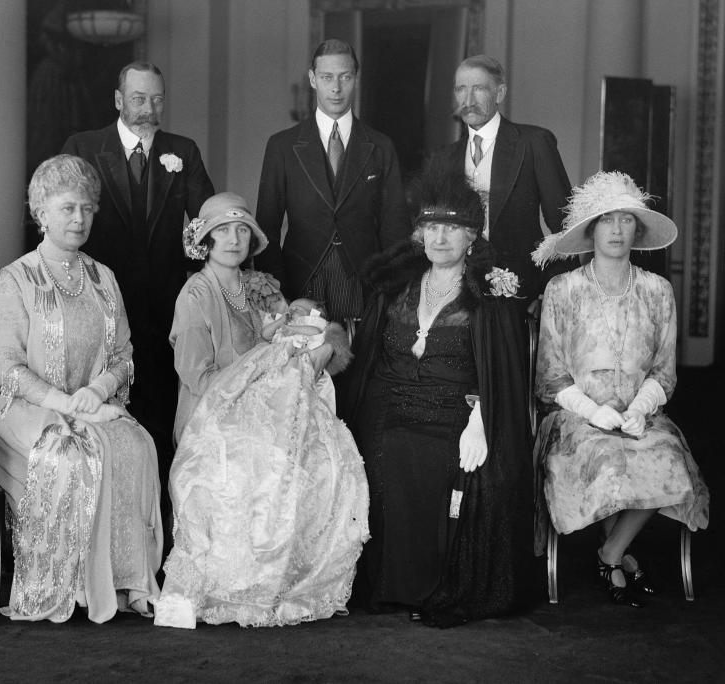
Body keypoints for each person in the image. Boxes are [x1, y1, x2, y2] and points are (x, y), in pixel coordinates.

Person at [154, 192, 367, 629]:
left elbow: (308, 334)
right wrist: (263, 364)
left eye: (241, 230)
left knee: (319, 458)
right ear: (206, 241)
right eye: (222, 231)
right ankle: (234, 586)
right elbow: (198, 377)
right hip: (211, 419)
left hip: (270, 413)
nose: (233, 239)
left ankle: (282, 581)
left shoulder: (262, 288)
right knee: (259, 461)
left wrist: (317, 347)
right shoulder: (194, 295)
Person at [343, 163, 534, 627]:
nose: (440, 238)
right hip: (388, 403)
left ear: (473, 236)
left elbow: (502, 373)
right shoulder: (395, 286)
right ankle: (388, 587)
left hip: (456, 410)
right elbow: (369, 359)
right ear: (419, 234)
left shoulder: (489, 293)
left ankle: (429, 587)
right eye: (431, 227)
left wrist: (482, 416)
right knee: (381, 450)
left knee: (434, 457)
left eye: (453, 228)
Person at [0, 154, 162, 623]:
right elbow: (7, 369)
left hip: (90, 404)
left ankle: (130, 580)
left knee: (135, 445)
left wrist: (97, 392)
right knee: (69, 453)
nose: (79, 219)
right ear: (41, 212)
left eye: (86, 208)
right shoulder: (13, 280)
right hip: (20, 409)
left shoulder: (104, 278)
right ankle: (69, 584)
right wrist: (65, 405)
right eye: (66, 208)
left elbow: (124, 354)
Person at [532, 171, 709, 607]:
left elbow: (664, 371)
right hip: (576, 419)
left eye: (626, 220)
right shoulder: (563, 289)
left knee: (669, 462)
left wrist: (641, 407)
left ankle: (610, 553)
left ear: (638, 229)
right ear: (591, 229)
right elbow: (550, 376)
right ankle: (617, 558)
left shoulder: (657, 291)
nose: (615, 229)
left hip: (641, 417)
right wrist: (594, 412)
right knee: (609, 461)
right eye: (606, 219)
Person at [61, 61, 214, 496]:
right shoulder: (84, 146)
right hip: (97, 303)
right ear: (118, 100)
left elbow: (206, 221)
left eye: (157, 99)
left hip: (164, 308)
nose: (149, 108)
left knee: (159, 411)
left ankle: (158, 522)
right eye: (139, 98)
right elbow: (62, 217)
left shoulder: (182, 150)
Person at [255, 39, 410, 323]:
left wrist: (392, 291)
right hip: (300, 281)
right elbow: (266, 226)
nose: (336, 88)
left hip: (364, 282)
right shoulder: (283, 146)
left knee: (362, 364)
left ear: (356, 79)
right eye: (327, 77)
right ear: (313, 79)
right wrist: (275, 290)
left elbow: (395, 226)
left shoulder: (380, 146)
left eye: (345, 77)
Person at [430, 55, 572, 305]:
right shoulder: (444, 158)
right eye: (461, 89)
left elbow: (565, 227)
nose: (468, 100)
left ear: (500, 93)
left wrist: (553, 293)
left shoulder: (533, 143)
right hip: (458, 296)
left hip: (521, 294)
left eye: (479, 89)